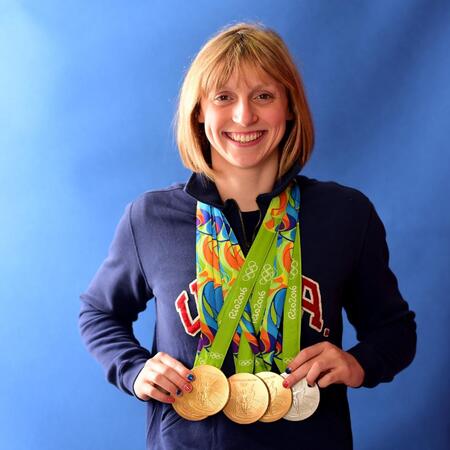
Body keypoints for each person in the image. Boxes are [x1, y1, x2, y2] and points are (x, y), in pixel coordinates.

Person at [79, 23, 416, 450]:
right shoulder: (150, 218)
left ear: (290, 107)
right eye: (224, 97)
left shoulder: (346, 213)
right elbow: (98, 312)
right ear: (199, 111)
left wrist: (358, 364)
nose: (244, 116)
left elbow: (395, 329)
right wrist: (134, 369)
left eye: (263, 96)